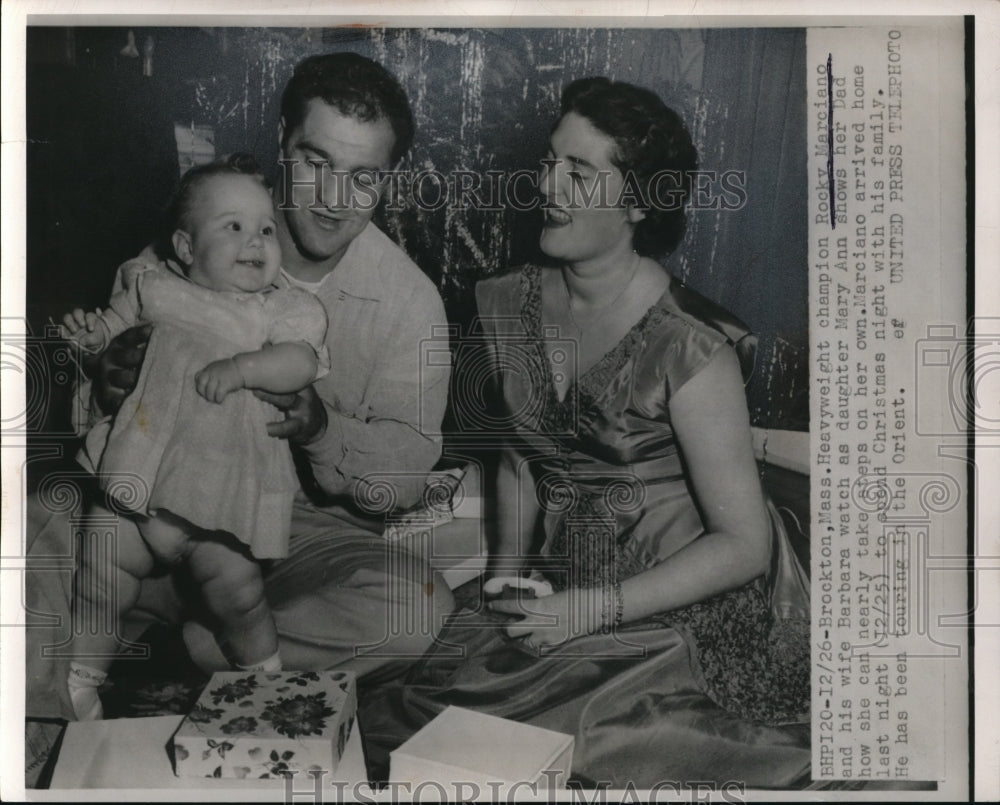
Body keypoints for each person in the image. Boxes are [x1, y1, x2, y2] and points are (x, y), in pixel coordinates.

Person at [359, 77, 811, 788]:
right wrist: (507, 571)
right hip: (562, 581)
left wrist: (595, 608)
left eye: (580, 172)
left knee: (594, 741)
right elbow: (514, 462)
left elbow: (745, 545)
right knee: (426, 722)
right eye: (548, 161)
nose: (548, 185)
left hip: (682, 603)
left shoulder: (694, 346)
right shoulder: (506, 302)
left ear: (636, 201)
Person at [26, 52, 454, 720]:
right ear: (282, 141)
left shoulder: (410, 302)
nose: (335, 198)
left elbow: (405, 475)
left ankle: (192, 646)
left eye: (363, 177)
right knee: (31, 526)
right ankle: (72, 684)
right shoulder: (191, 238)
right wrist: (105, 380)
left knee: (415, 608)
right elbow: (95, 405)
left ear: (389, 178)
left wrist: (320, 428)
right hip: (143, 496)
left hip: (286, 537)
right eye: (315, 161)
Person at [58, 155, 330, 719]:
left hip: (220, 498)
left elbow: (300, 364)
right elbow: (107, 335)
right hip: (135, 477)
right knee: (99, 579)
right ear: (184, 247)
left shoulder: (279, 309)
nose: (255, 240)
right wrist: (89, 338)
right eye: (233, 226)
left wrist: (244, 370)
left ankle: (266, 681)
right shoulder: (152, 286)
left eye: (265, 229)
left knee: (242, 599)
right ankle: (80, 686)